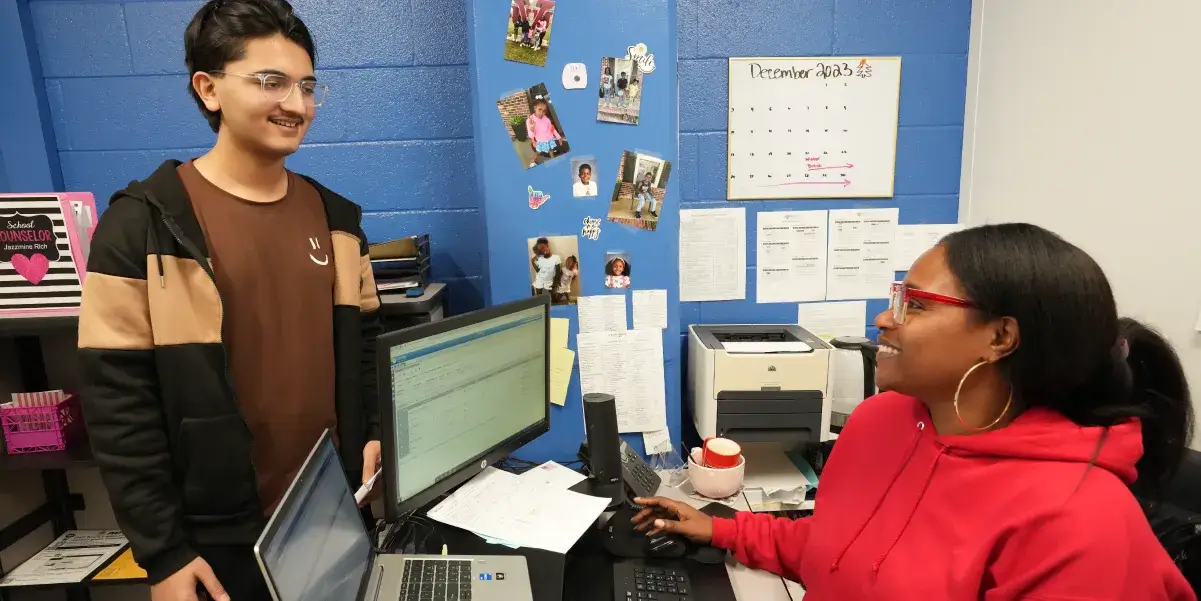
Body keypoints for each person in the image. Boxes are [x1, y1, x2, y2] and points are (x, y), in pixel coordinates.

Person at [633, 223, 1196, 601]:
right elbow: (839, 548)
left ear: (1001, 337)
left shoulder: (1080, 523)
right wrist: (726, 529)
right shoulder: (884, 422)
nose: (885, 318)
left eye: (918, 305)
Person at [76, 2, 383, 601]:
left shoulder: (339, 221)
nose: (296, 104)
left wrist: (373, 432)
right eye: (270, 82)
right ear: (208, 88)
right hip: (215, 542)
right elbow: (118, 406)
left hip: (330, 513)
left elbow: (365, 349)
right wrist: (163, 555)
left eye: (307, 86)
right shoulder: (140, 228)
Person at [526, 97, 564, 167]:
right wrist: (532, 128)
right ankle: (532, 160)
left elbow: (552, 129)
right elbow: (531, 135)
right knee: (539, 151)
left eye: (544, 111)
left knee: (551, 149)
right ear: (535, 108)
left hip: (549, 139)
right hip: (541, 141)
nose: (542, 113)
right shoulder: (530, 120)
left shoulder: (546, 118)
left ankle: (553, 159)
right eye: (539, 109)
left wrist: (558, 137)